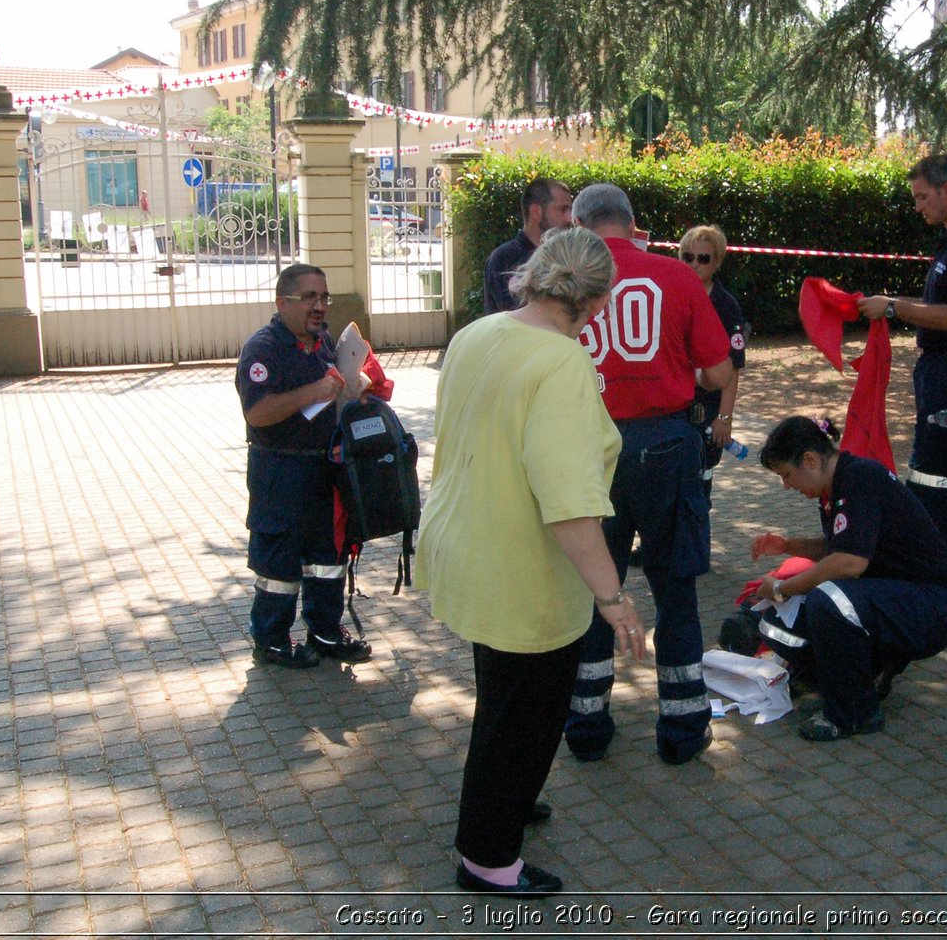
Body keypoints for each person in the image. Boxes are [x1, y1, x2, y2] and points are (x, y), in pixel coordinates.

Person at [418, 228, 647, 898]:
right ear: (600, 298)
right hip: (521, 570)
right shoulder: (560, 364)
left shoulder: (479, 333)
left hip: (469, 545)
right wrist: (612, 596)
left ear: (534, 275)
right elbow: (570, 504)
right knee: (524, 715)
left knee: (504, 701)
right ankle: (488, 856)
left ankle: (504, 803)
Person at [564, 184, 734, 766]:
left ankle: (585, 726)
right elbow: (716, 371)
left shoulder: (568, 281)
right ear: (634, 225)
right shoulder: (678, 276)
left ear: (582, 226)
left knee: (593, 588)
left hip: (590, 451)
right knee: (675, 589)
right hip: (666, 445)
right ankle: (683, 729)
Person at [748, 417, 947, 740]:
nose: (787, 486)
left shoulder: (859, 478)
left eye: (787, 475)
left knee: (827, 600)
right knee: (787, 621)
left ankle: (853, 713)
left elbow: (849, 562)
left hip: (934, 604)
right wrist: (788, 545)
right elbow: (843, 545)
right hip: (901, 595)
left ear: (809, 460)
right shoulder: (836, 484)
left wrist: (781, 588)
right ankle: (858, 675)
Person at [856, 153, 947, 574]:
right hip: (941, 369)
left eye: (922, 196)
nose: (918, 207)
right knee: (941, 477)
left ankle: (939, 579)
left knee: (937, 476)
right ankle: (943, 571)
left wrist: (894, 308)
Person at [236, 264, 373, 669]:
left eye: (324, 297)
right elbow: (257, 413)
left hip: (324, 469)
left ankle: (326, 631)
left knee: (327, 556)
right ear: (282, 303)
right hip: (279, 470)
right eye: (310, 298)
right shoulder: (263, 349)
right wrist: (311, 392)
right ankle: (272, 640)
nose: (320, 306)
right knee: (279, 559)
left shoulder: (324, 342)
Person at [680, 224, 751, 497]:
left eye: (703, 258)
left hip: (706, 407)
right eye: (688, 257)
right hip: (674, 405)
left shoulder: (726, 305)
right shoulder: (673, 294)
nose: (695, 264)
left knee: (700, 486)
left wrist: (725, 417)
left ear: (717, 262)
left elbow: (733, 366)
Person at [482, 177, 574, 314]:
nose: (569, 218)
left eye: (571, 210)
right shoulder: (505, 259)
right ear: (536, 211)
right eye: (563, 209)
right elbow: (516, 317)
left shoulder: (570, 255)